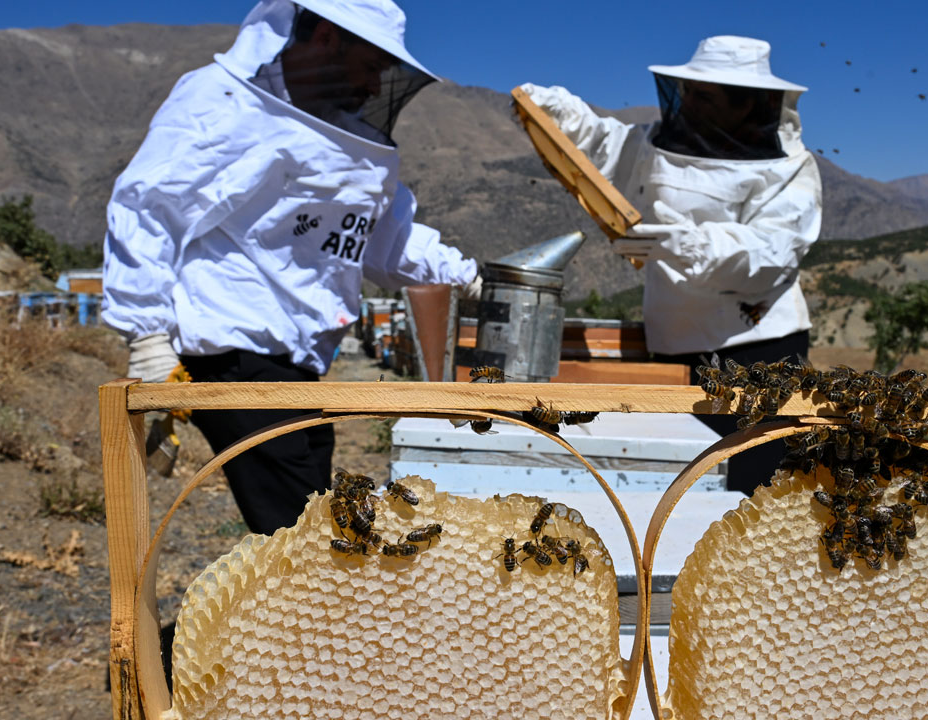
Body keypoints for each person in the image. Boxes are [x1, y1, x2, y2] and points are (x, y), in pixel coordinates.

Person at [103, 0, 479, 535]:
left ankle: (283, 615)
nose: (377, 86)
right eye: (371, 65)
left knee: (307, 519)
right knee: (303, 534)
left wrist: (465, 275)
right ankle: (301, 617)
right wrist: (147, 339)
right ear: (327, 36)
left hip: (298, 362)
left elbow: (382, 239)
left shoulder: (347, 141)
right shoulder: (223, 105)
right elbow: (148, 207)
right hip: (234, 353)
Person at [522, 36, 822, 495]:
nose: (689, 104)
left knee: (755, 489)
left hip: (757, 348)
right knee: (683, 488)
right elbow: (602, 144)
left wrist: (682, 243)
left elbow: (771, 254)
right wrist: (550, 110)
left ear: (746, 105)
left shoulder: (791, 168)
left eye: (705, 96)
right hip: (673, 347)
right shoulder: (653, 146)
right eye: (688, 91)